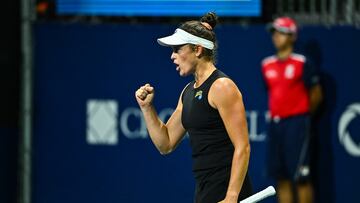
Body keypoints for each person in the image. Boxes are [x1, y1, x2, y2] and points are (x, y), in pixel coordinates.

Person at [135, 12, 252, 203]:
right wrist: (147, 108)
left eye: (177, 49)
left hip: (227, 192)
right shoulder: (187, 91)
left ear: (197, 50)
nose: (172, 56)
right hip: (204, 191)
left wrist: (232, 196)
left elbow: (243, 147)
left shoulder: (222, 87)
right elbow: (166, 143)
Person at [261, 17, 323, 203]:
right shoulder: (266, 64)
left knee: (301, 178)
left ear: (292, 36)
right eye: (274, 32)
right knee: (282, 178)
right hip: (276, 126)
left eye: (281, 32)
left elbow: (316, 95)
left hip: (297, 126)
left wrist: (301, 116)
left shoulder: (302, 63)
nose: (276, 36)